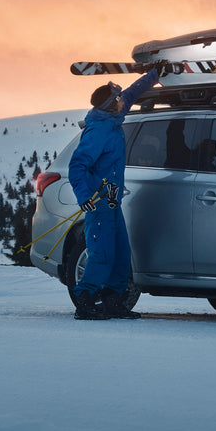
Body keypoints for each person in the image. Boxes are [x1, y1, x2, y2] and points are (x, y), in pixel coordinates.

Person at [68, 69, 159, 320]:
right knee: (102, 253)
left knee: (121, 254)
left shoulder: (114, 117)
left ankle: (113, 301)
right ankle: (84, 302)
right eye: (118, 98)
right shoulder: (98, 131)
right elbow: (77, 167)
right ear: (110, 105)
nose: (123, 100)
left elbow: (131, 94)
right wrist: (84, 197)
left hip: (112, 201)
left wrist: (154, 74)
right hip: (97, 204)